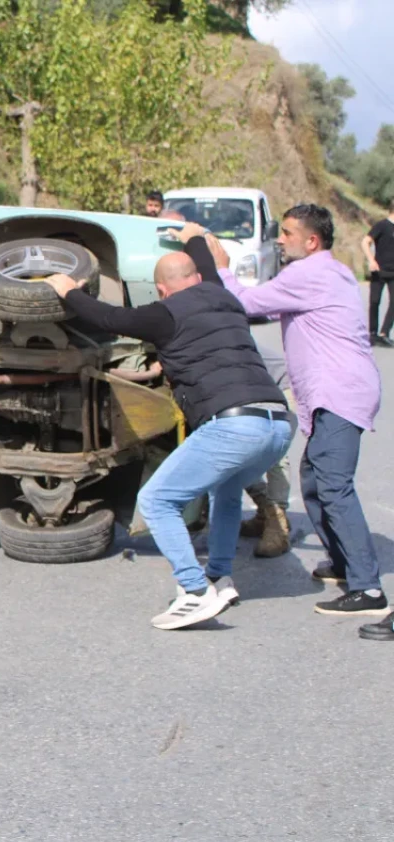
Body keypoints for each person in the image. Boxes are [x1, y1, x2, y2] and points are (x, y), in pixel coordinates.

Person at [45, 240, 293, 631]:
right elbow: (209, 264)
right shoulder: (223, 296)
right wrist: (193, 236)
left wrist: (68, 291)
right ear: (196, 279)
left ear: (161, 289)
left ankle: (194, 591)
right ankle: (219, 577)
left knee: (157, 500)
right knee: (226, 492)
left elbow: (108, 318)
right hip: (277, 424)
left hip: (232, 424)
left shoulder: (163, 314)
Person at [201, 206, 388, 619]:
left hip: (340, 391)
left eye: (286, 233)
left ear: (312, 241)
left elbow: (245, 302)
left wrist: (221, 267)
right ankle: (344, 564)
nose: (279, 239)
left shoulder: (310, 274)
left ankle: (368, 589)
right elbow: (267, 309)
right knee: (315, 480)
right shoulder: (327, 271)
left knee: (333, 485)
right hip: (341, 391)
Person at [239, 343, 294, 557]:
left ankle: (277, 525)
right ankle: (264, 508)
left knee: (275, 452)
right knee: (236, 452)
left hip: (281, 386)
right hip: (250, 390)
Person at [360, 199, 394, 347]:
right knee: (374, 301)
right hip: (379, 270)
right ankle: (373, 334)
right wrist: (371, 260)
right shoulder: (382, 225)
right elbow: (365, 241)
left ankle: (384, 333)